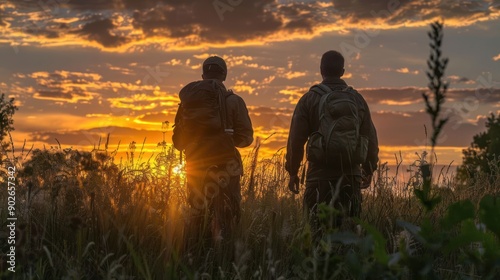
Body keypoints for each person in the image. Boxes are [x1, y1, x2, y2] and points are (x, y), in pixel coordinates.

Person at [285, 50, 378, 237]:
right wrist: (369, 169)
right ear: (342, 71)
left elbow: (296, 140)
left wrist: (293, 172)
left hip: (318, 179)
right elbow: (370, 137)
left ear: (321, 70)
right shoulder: (357, 99)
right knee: (349, 237)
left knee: (317, 235)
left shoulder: (308, 99)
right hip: (350, 179)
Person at [172, 56, 253, 247]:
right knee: (229, 214)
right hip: (227, 166)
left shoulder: (187, 103)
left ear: (202, 75)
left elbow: (178, 143)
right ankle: (228, 258)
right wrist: (227, 138)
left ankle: (195, 255)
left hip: (196, 167)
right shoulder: (234, 101)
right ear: (224, 75)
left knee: (197, 213)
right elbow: (246, 139)